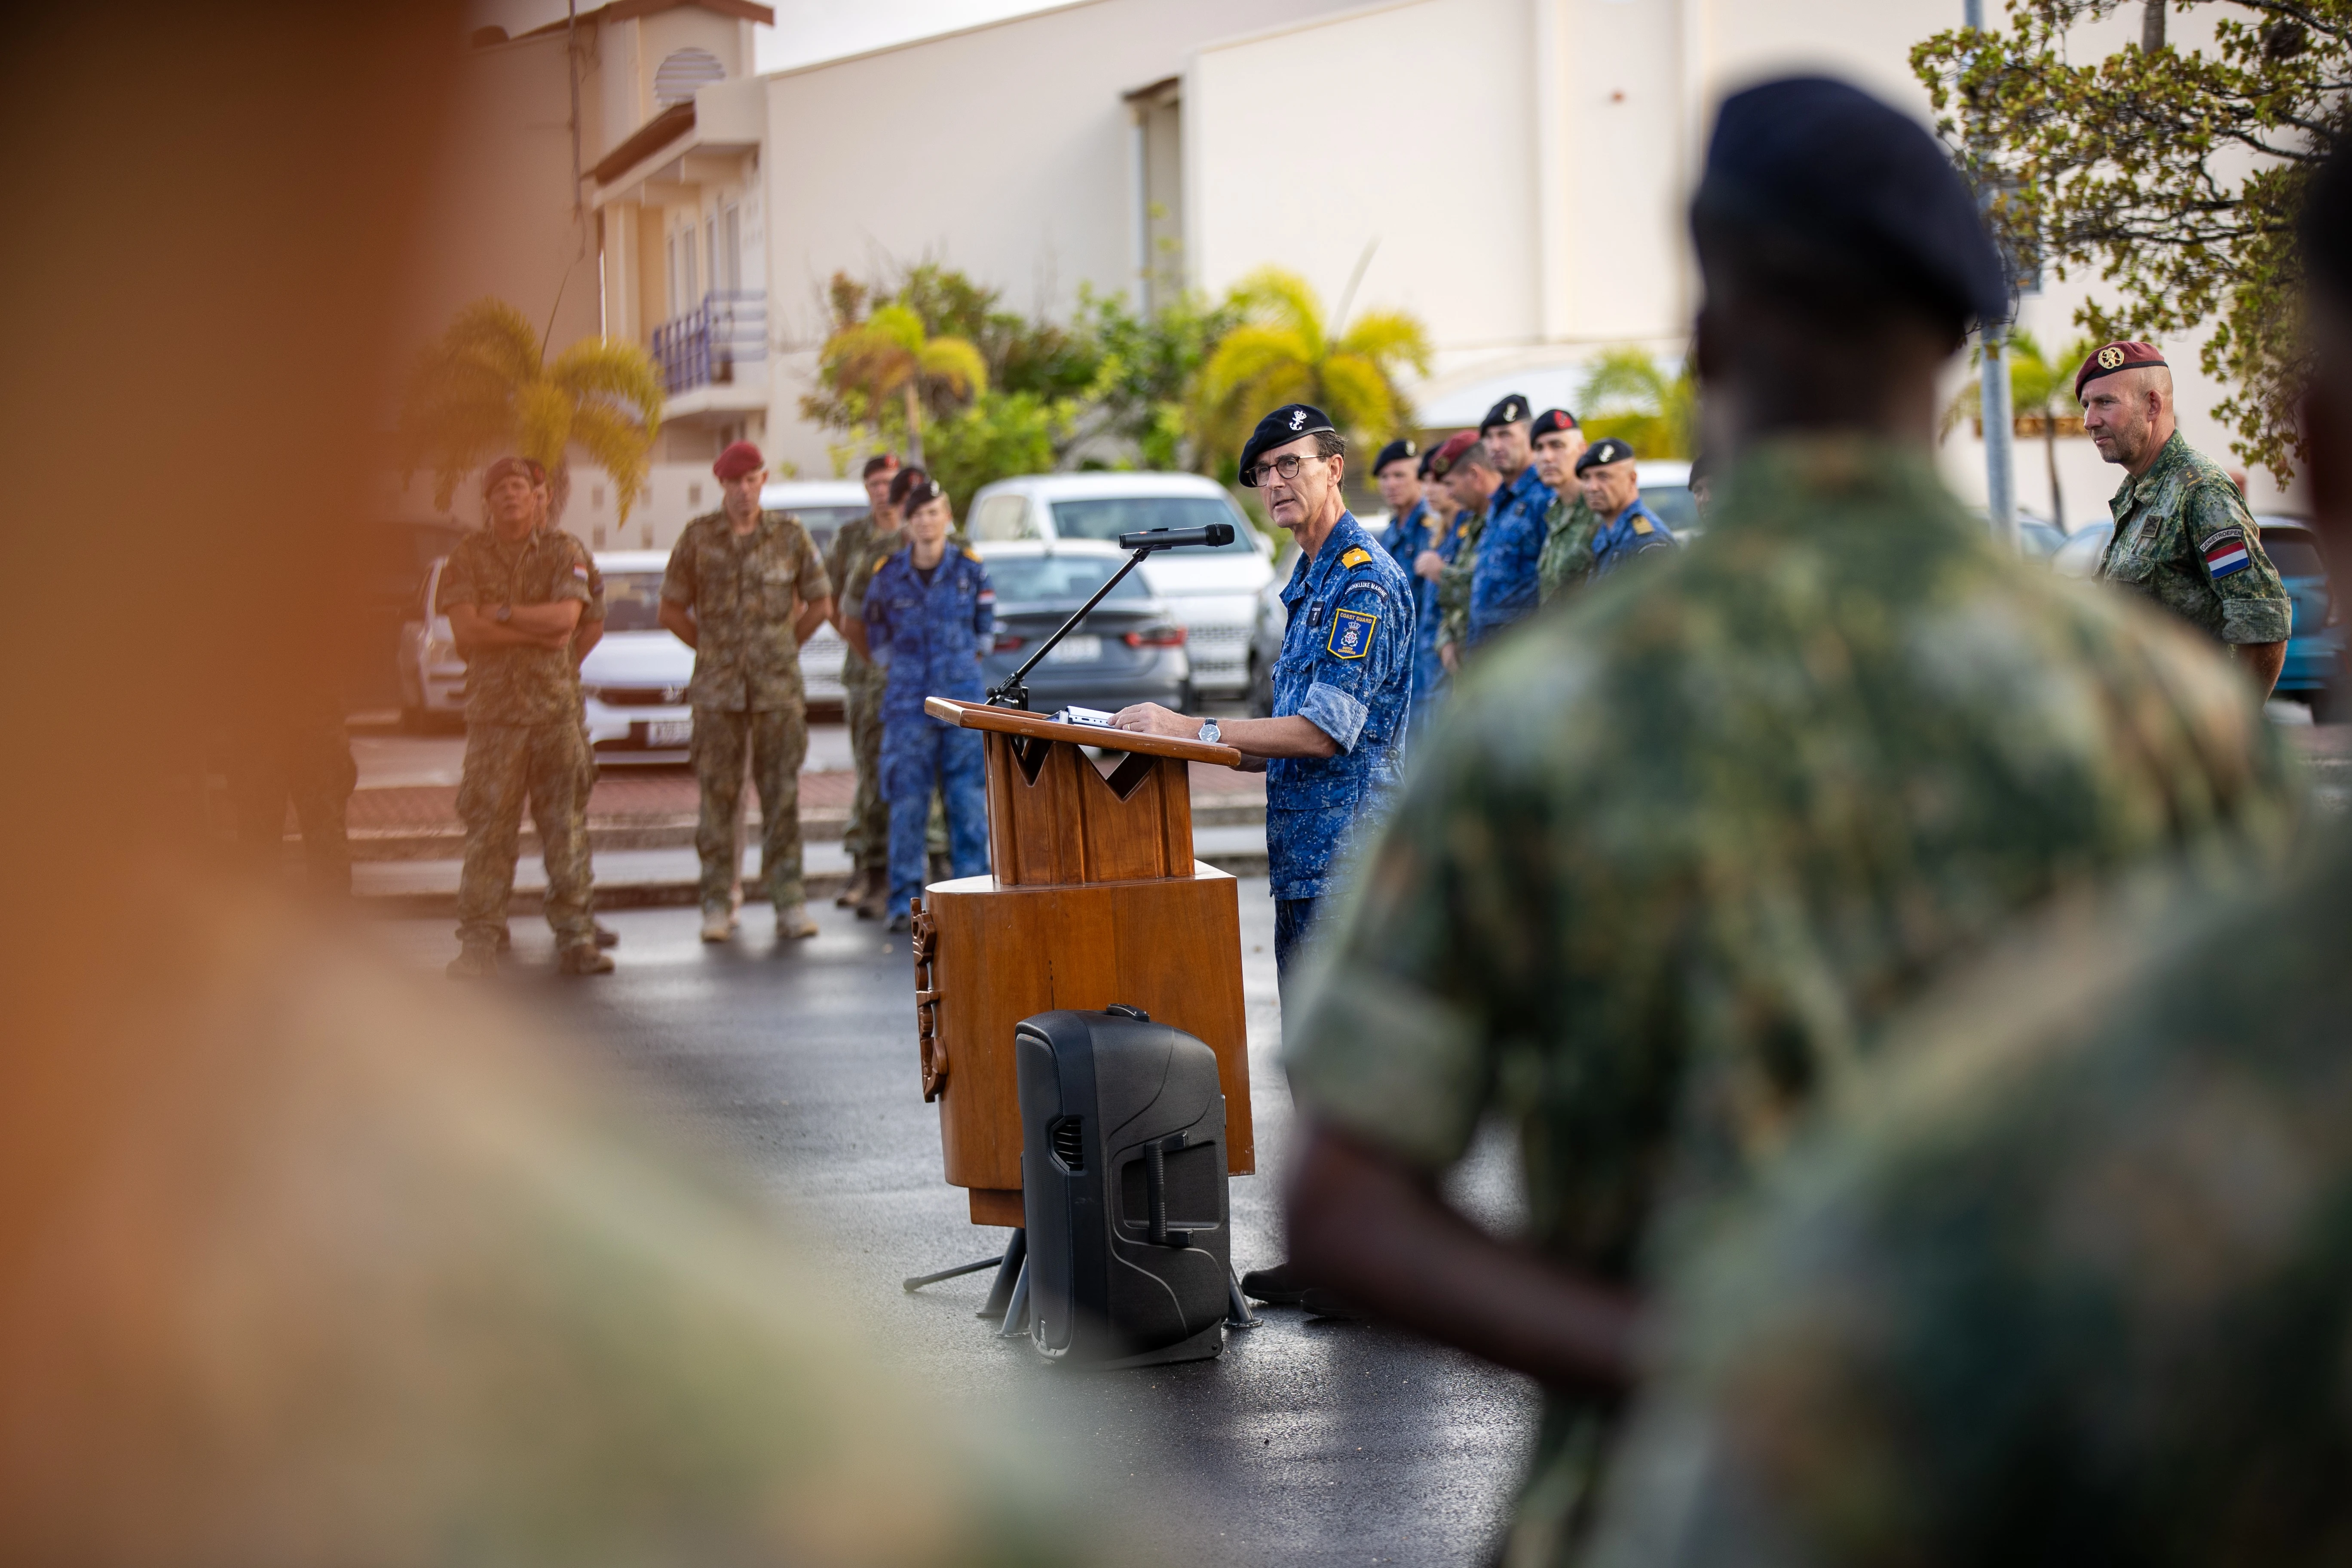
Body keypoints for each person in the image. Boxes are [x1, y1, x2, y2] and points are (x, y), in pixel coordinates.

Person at [1274, 74, 2300, 1565]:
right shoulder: (2162, 714)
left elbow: (1349, 1205)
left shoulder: (1551, 711)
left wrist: (1713, 1372)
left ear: (1709, 341)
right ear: (1953, 357)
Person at [1583, 131, 2352, 1568]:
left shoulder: (2195, 498)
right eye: (2097, 409)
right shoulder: (2133, 513)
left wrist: (2214, 735)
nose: (2104, 425)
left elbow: (2253, 635)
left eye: (2116, 406)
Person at [1112, 404, 1415, 983]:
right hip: (1307, 866)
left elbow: (1322, 734)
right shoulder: (1309, 579)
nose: (1274, 483)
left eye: (1288, 465)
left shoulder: (1361, 581)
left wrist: (1190, 726)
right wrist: (1171, 742)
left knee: (1342, 1067)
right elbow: (1273, 743)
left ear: (1333, 469)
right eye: (1261, 473)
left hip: (1351, 871)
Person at [440, 456, 612, 978]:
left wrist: (502, 614)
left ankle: (577, 940)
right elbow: (466, 633)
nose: (511, 496)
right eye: (501, 490)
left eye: (520, 487)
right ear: (488, 502)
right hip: (494, 720)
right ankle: (478, 944)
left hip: (554, 717)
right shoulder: (466, 558)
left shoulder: (565, 552)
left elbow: (570, 626)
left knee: (566, 830)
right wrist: (536, 637)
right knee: (488, 834)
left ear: (535, 495)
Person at [658, 441, 834, 944]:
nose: (743, 490)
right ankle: (717, 901)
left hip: (777, 692)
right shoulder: (698, 538)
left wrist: (782, 648)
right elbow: (670, 610)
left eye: (751, 480)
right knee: (719, 798)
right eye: (734, 482)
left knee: (781, 796)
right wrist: (714, 651)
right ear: (722, 485)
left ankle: (789, 902)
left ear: (764, 479)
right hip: (718, 695)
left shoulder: (790, 535)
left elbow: (820, 603)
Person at [2081, 339, 2292, 695]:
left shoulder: (2200, 491)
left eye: (2105, 402)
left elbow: (2262, 619)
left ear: (2152, 405)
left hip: (2193, 734)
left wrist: (2234, 732)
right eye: (2086, 405)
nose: (2089, 421)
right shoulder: (2139, 492)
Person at [852, 472, 992, 933]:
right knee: (907, 807)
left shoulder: (971, 572)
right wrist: (905, 669)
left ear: (947, 517)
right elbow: (875, 635)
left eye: (935, 513)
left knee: (968, 806)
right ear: (907, 522)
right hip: (909, 707)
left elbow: (985, 635)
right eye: (918, 515)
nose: (927, 522)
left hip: (961, 708)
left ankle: (974, 899)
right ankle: (903, 905)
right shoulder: (889, 575)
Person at [827, 453, 899, 918]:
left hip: (916, 676)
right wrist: (869, 652)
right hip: (865, 675)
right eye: (874, 483)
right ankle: (868, 869)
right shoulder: (852, 539)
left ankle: (909, 873)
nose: (881, 491)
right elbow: (834, 604)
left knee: (913, 777)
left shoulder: (922, 532)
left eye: (889, 482)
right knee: (869, 774)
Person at [1465, 393, 1554, 646]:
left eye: (1505, 435)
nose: (1495, 446)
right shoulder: (1500, 501)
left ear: (1530, 438)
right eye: (1489, 437)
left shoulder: (1544, 497)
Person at [1409, 434, 1477, 731]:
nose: (1430, 490)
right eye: (1426, 481)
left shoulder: (1469, 532)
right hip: (1429, 667)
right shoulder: (1439, 536)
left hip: (1454, 665)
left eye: (1440, 481)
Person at [1433, 439, 1504, 673]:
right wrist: (1445, 639)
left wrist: (1441, 574)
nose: (1450, 494)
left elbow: (1489, 591)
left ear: (1474, 475)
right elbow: (1453, 603)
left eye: (1451, 484)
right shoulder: (1472, 524)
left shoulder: (1502, 521)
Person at [1373, 438, 1431, 712]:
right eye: (1384, 477)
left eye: (1399, 475)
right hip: (1396, 655)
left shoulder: (1433, 527)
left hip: (1428, 653)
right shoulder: (1390, 533)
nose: (1391, 484)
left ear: (1419, 479)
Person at [1578, 437, 1679, 577]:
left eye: (1603, 477)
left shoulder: (1647, 540)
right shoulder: (1607, 530)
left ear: (1632, 479)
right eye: (1586, 478)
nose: (1592, 487)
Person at [1530, 409, 1599, 604]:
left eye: (1557, 446)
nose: (1547, 457)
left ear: (1582, 450)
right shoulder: (1555, 512)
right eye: (1539, 448)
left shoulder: (1599, 512)